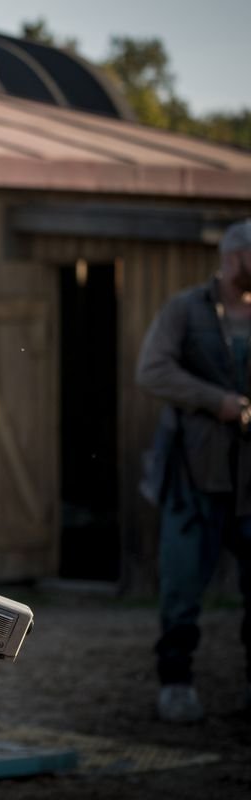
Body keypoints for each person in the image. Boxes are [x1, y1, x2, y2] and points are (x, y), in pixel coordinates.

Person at [136, 218, 251, 724]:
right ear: (234, 258)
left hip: (250, 478)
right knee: (182, 586)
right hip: (194, 472)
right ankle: (176, 682)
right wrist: (215, 400)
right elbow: (152, 370)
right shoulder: (188, 310)